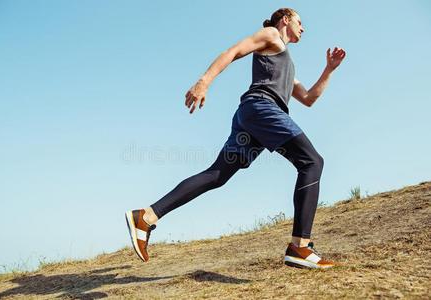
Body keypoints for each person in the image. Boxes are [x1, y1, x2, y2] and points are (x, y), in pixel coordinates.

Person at [125, 7, 346, 269]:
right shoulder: (271, 35)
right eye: (300, 21)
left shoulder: (286, 62)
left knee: (217, 175)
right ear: (285, 19)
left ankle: (146, 216)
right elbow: (232, 51)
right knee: (312, 162)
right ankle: (300, 246)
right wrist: (204, 81)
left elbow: (308, 98)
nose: (304, 28)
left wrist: (329, 69)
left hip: (252, 119)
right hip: (262, 109)